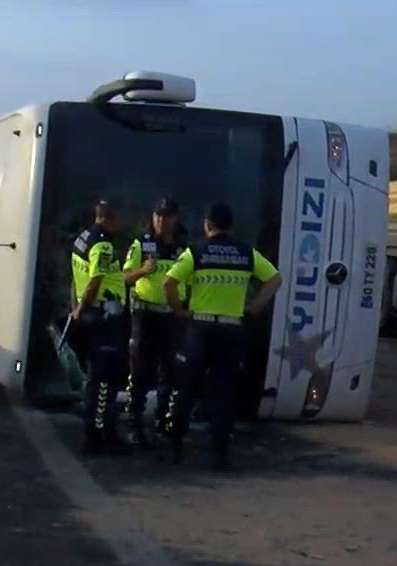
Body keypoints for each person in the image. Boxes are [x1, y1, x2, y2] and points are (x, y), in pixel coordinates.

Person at [163, 203, 280, 469]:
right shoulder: (246, 253)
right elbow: (274, 279)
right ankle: (219, 454)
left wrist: (179, 310)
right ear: (231, 226)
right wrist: (254, 307)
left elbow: (168, 282)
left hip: (200, 328)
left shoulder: (196, 251)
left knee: (185, 389)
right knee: (223, 392)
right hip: (231, 330)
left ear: (207, 225)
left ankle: (175, 448)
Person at [67, 200, 131, 455]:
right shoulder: (102, 244)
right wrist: (81, 310)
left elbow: (75, 278)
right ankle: (97, 435)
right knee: (103, 380)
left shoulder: (82, 238)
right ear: (108, 218)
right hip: (104, 318)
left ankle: (100, 430)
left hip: (90, 316)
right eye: (118, 218)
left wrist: (75, 310)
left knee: (97, 377)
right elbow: (94, 281)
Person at [122, 197, 186, 448]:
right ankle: (134, 423)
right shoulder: (142, 244)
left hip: (171, 317)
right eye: (158, 215)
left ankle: (163, 423)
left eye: (167, 216)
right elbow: (124, 278)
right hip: (145, 315)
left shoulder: (183, 249)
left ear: (175, 218)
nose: (161, 220)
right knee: (138, 370)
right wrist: (142, 271)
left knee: (169, 371)